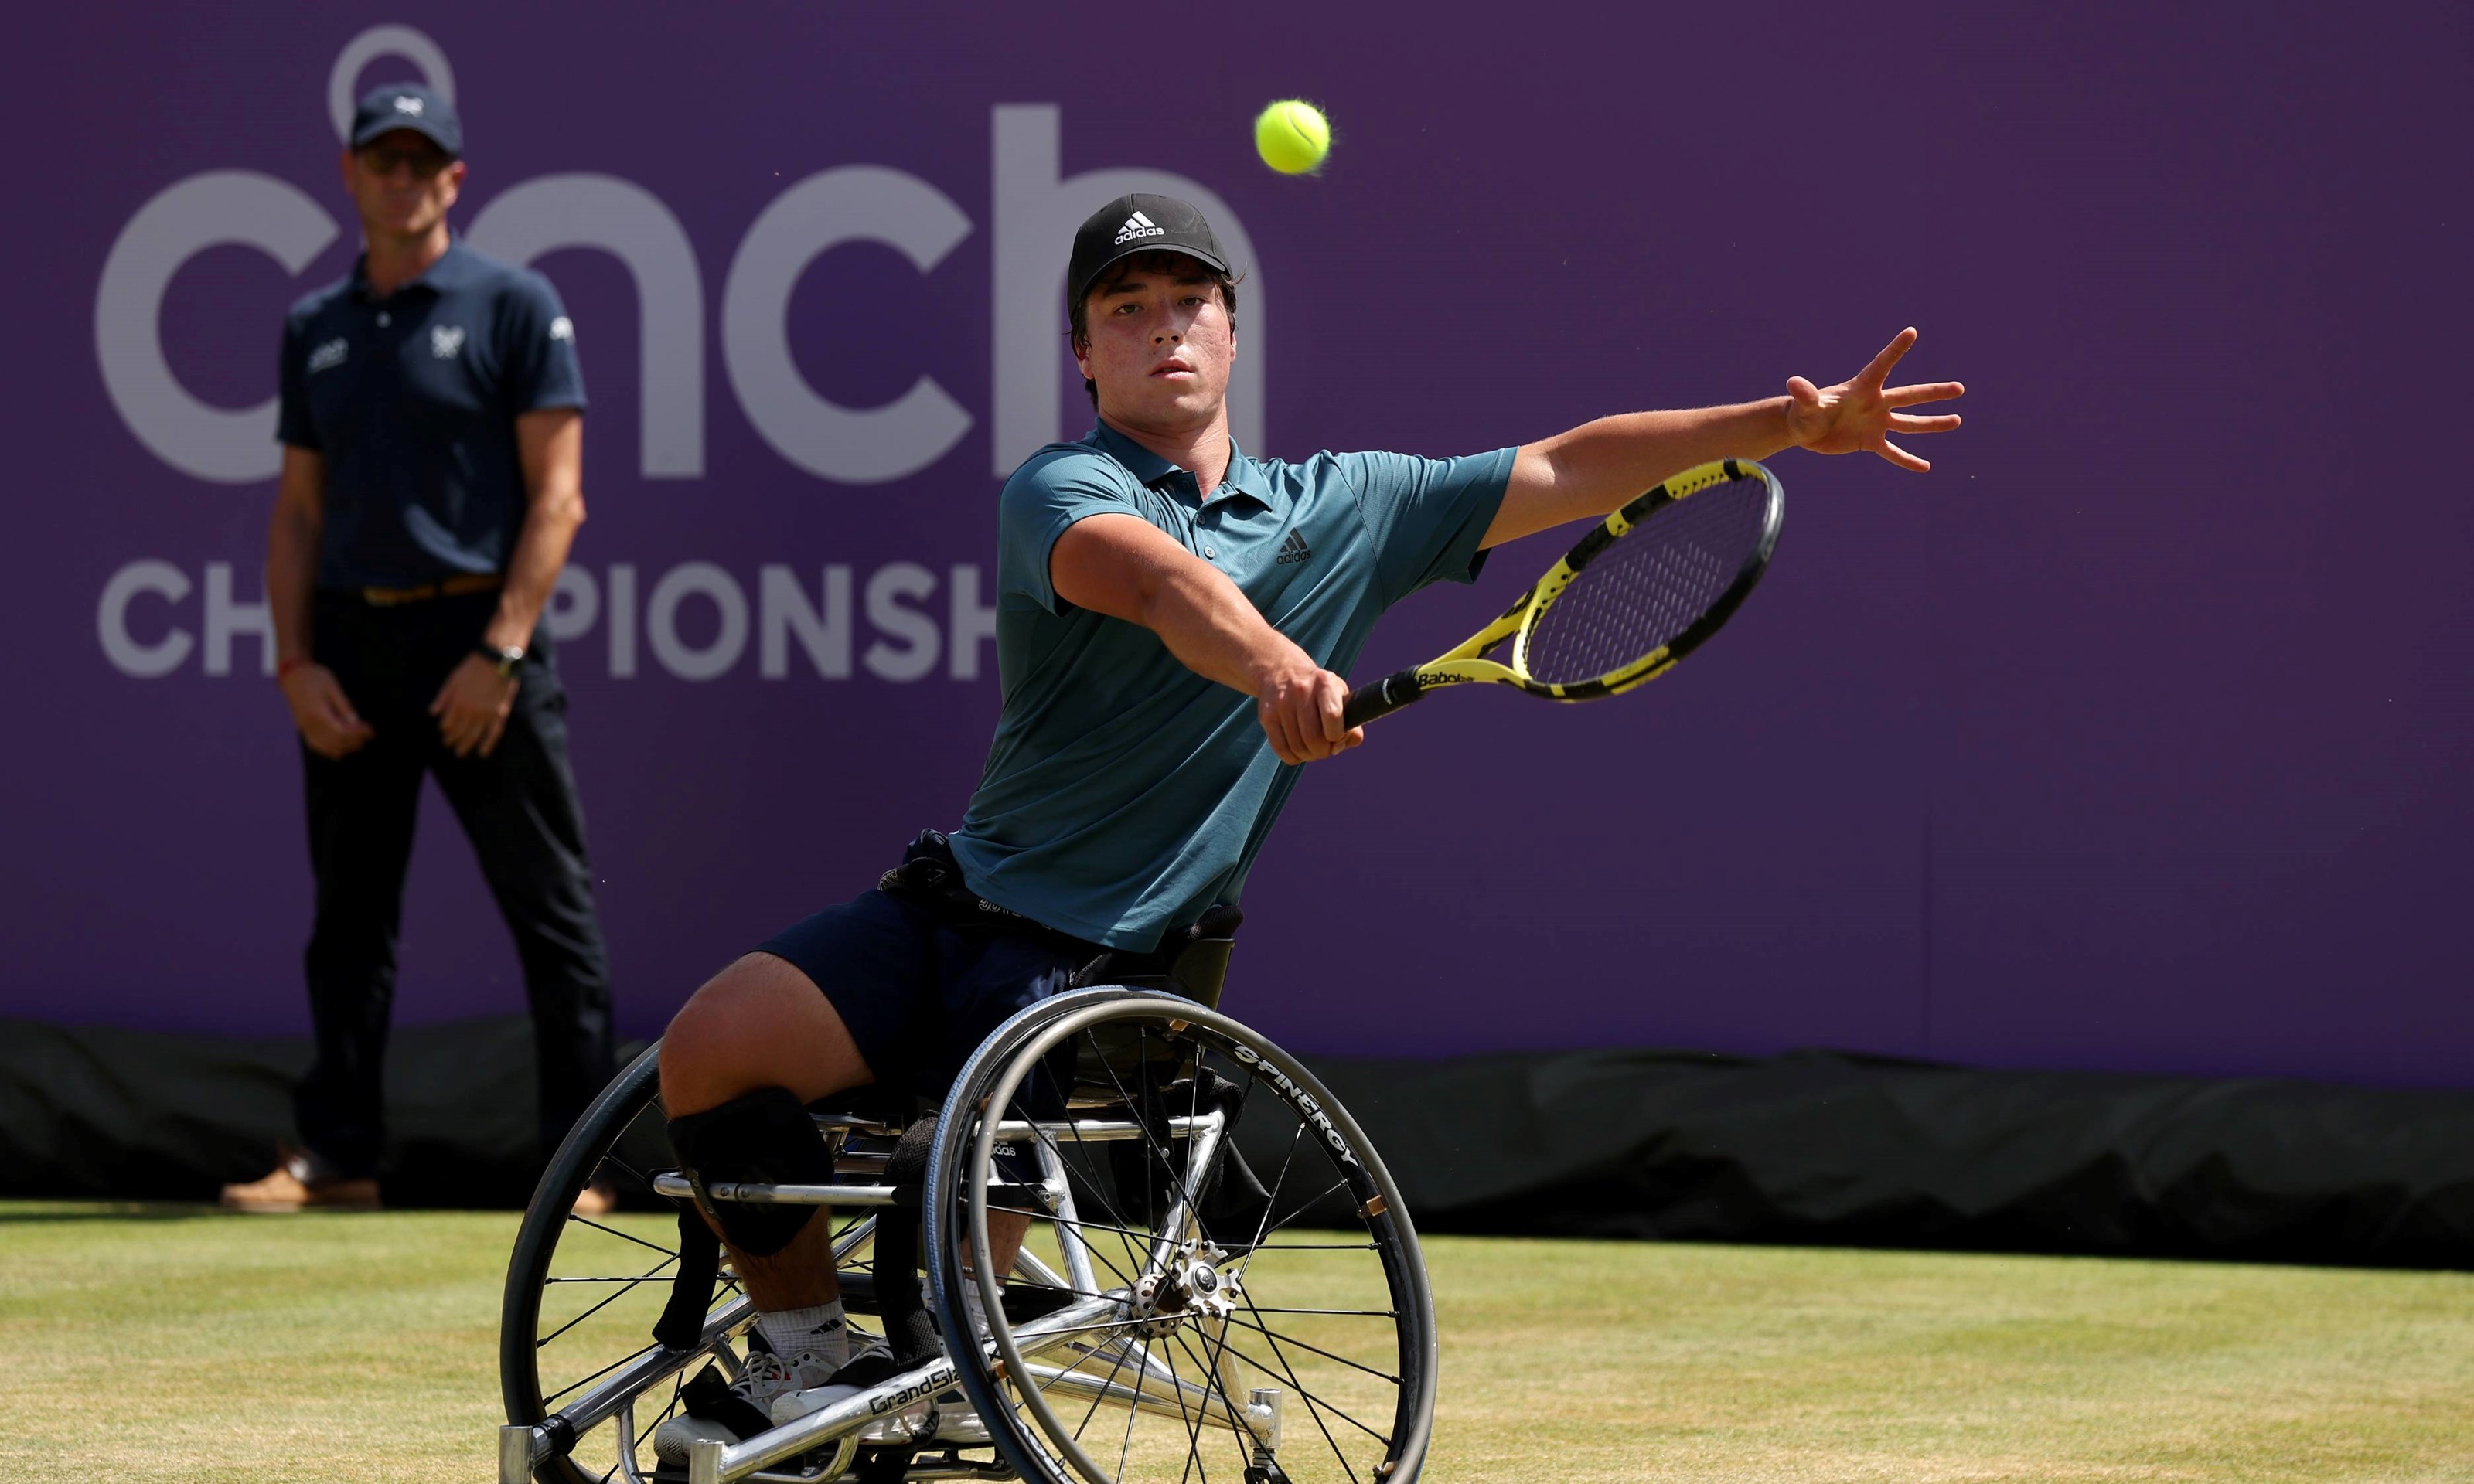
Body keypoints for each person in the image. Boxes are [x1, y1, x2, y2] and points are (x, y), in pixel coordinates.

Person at [646, 192, 1965, 1448]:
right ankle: (808, 1346)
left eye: (1187, 299)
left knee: (942, 1226)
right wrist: (1282, 666)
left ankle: (946, 1326)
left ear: (1230, 330)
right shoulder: (1056, 489)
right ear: (1085, 359)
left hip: (1104, 955)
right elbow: (1166, 590)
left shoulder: (1354, 506)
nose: (1162, 325)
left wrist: (1789, 427)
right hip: (956, 898)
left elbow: (1568, 463)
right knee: (709, 1049)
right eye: (1125, 308)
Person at [219, 83, 618, 1215]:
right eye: (380, 161)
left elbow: (560, 498)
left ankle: (576, 1165)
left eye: (421, 161)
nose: (401, 179)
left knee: (554, 911)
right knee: (348, 918)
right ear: (349, 175)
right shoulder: (316, 327)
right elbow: (297, 512)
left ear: (455, 176)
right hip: (350, 642)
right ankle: (336, 1156)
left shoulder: (514, 303)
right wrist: (295, 663)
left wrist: (497, 653)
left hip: (479, 638)